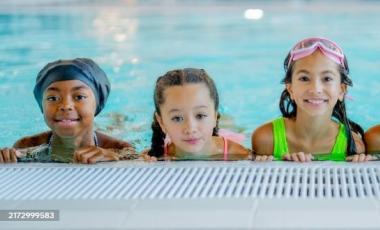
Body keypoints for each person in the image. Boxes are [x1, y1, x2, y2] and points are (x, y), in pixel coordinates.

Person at [252, 37, 368, 162]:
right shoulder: (266, 139)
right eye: (304, 78)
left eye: (327, 79)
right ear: (290, 88)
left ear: (341, 90)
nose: (315, 89)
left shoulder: (352, 146)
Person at [0, 58, 136, 163]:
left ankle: (118, 120)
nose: (66, 105)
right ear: (41, 105)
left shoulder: (120, 148)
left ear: (98, 104)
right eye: (53, 98)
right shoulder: (26, 145)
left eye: (79, 97)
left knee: (116, 127)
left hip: (106, 134)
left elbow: (137, 159)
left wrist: (113, 156)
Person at [146, 68, 250, 161]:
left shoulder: (240, 154)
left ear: (215, 116)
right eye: (177, 118)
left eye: (200, 116)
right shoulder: (154, 156)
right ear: (161, 122)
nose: (191, 129)